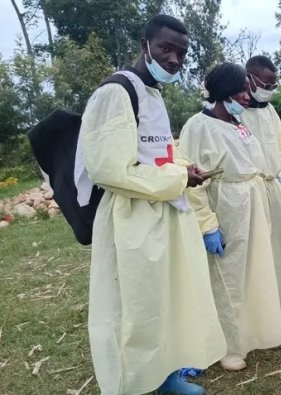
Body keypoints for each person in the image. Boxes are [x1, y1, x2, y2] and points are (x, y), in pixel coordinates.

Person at [78, 15, 226, 395]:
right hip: (133, 218)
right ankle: (135, 383)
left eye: (181, 52)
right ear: (145, 45)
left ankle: (165, 376)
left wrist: (182, 166)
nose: (174, 58)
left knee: (167, 298)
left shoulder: (153, 93)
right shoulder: (116, 92)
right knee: (139, 308)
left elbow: (156, 153)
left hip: (166, 212)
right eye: (166, 48)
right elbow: (110, 169)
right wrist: (178, 178)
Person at [179, 63, 281, 372]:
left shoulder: (239, 123)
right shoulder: (199, 126)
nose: (247, 96)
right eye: (241, 90)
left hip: (251, 202)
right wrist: (207, 223)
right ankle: (229, 345)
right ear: (224, 91)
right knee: (228, 278)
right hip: (225, 206)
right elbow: (192, 180)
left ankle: (256, 332)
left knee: (255, 270)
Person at [240, 55, 281, 314]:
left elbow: (279, 142)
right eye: (266, 84)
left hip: (272, 185)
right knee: (256, 252)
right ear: (249, 79)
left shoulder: (270, 110)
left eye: (274, 85)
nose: (270, 90)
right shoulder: (235, 110)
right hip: (249, 188)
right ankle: (260, 310)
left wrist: (279, 173)